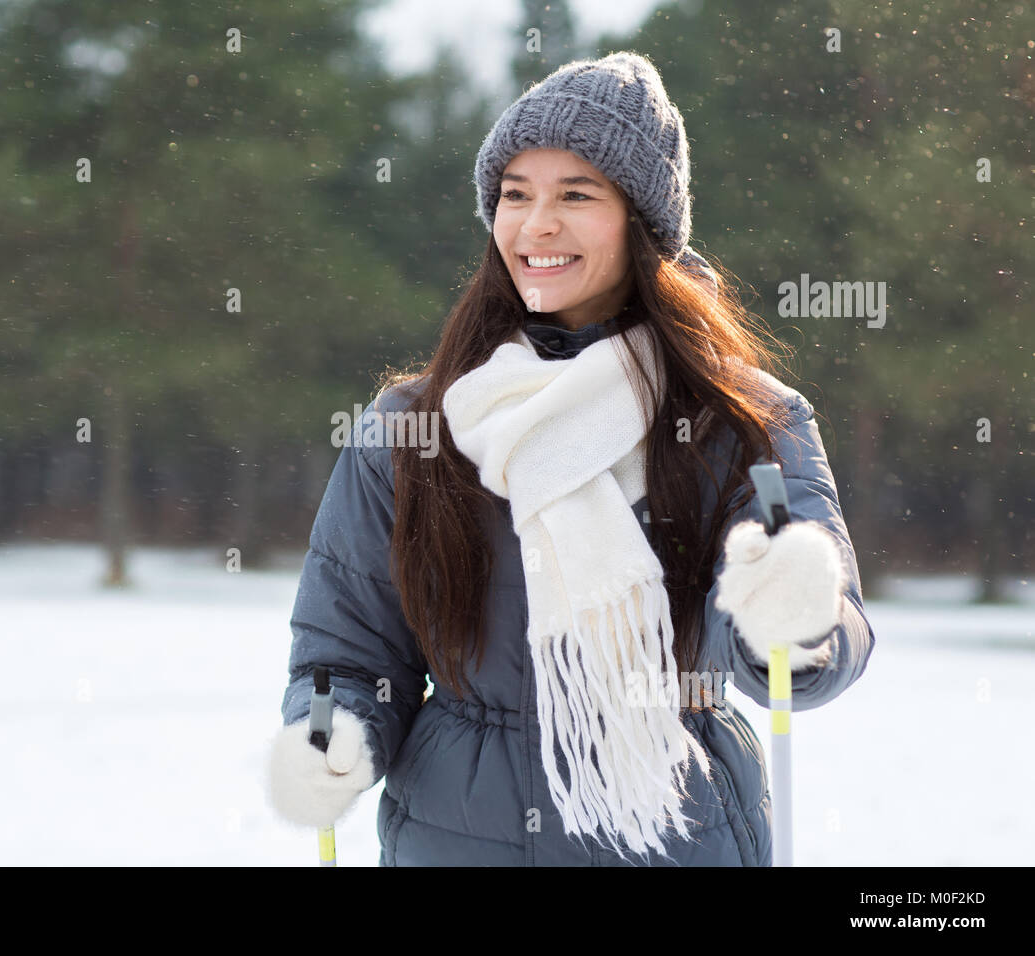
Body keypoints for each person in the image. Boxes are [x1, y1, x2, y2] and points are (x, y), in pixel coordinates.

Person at [265, 52, 875, 866]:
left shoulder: (741, 420)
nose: (536, 225)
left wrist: (798, 619)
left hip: (672, 831)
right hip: (457, 837)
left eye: (575, 195)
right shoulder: (415, 428)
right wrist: (331, 731)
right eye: (515, 195)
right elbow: (347, 652)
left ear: (642, 222)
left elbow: (816, 654)